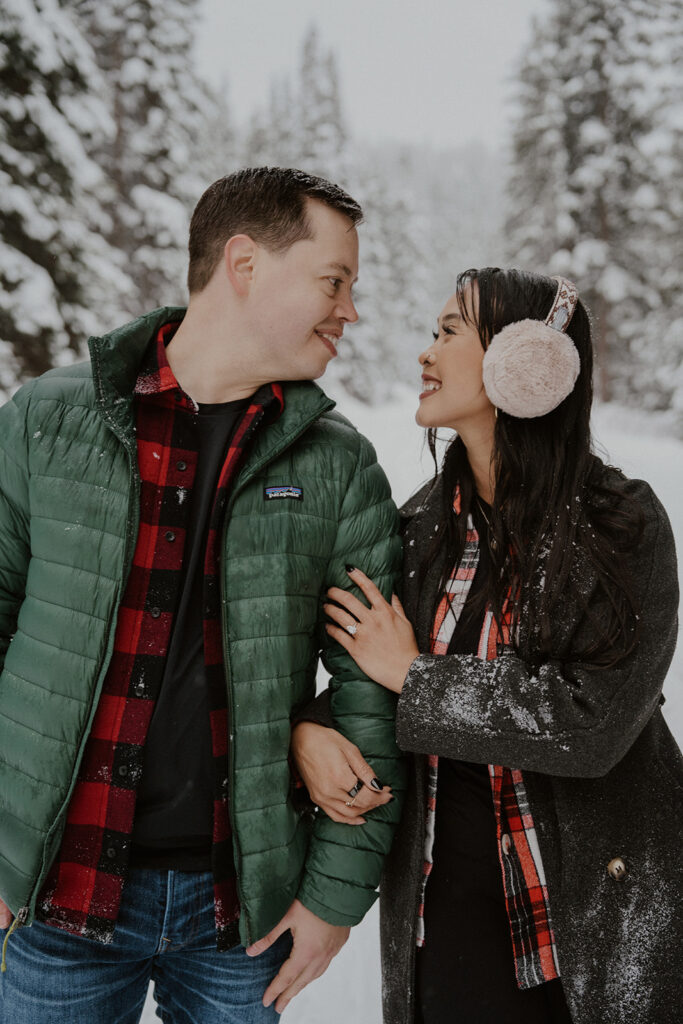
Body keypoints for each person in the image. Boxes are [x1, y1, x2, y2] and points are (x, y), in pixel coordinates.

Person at [0, 166, 406, 1023]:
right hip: (54, 901)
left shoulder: (336, 466)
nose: (350, 310)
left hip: (238, 919)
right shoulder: (45, 420)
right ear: (245, 263)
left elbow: (374, 696)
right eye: (333, 282)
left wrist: (334, 899)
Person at [291, 267, 682, 1024]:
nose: (423, 355)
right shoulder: (414, 532)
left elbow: (590, 724)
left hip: (592, 931)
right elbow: (368, 678)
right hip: (446, 924)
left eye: (446, 333)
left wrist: (417, 676)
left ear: (524, 361)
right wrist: (310, 728)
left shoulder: (623, 526)